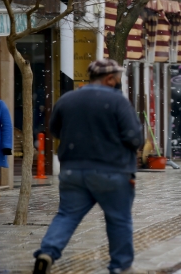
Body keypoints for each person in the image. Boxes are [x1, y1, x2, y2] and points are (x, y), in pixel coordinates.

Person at [33, 59, 144, 274]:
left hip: (72, 170)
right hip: (113, 171)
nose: (119, 81)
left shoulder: (67, 99)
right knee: (118, 219)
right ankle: (121, 266)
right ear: (110, 78)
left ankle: (47, 252)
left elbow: (55, 130)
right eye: (118, 76)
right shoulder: (117, 101)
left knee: (66, 215)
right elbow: (134, 137)